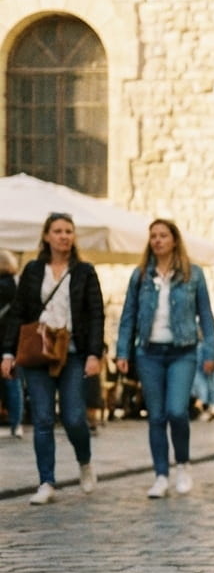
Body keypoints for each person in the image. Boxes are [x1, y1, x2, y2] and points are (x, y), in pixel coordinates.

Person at [0, 212, 104, 504]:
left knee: (73, 417)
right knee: (43, 418)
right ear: (47, 236)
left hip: (72, 352)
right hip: (37, 352)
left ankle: (84, 461)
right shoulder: (33, 270)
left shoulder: (84, 271)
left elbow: (96, 314)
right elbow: (18, 313)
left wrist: (94, 353)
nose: (64, 236)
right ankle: (46, 481)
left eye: (68, 231)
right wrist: (8, 353)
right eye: (57, 231)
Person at [115, 219, 214, 498]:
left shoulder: (192, 274)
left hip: (182, 351)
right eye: (153, 236)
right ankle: (161, 474)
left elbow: (206, 315)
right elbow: (128, 316)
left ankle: (183, 464)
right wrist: (122, 351)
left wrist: (210, 351)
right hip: (149, 351)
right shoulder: (140, 276)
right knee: (156, 416)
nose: (157, 240)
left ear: (174, 240)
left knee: (177, 411)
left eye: (163, 236)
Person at [0, 250, 24, 438]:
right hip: (14, 340)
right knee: (13, 382)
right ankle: (17, 424)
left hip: (2, 338)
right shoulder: (18, 285)